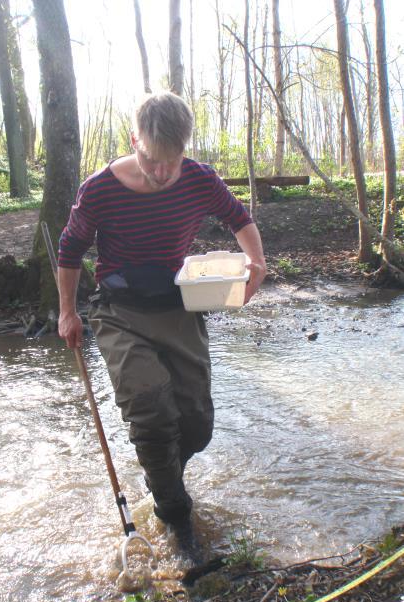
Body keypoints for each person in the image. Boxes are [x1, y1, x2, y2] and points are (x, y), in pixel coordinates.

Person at [57, 92, 266, 547]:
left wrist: (258, 264)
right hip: (119, 310)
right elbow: (69, 249)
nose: (161, 173)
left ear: (184, 150)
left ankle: (163, 474)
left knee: (196, 423)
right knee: (150, 405)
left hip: (178, 305)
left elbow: (238, 217)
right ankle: (175, 514)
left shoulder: (198, 179)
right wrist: (67, 311)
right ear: (135, 140)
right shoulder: (99, 189)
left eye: (172, 162)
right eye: (152, 160)